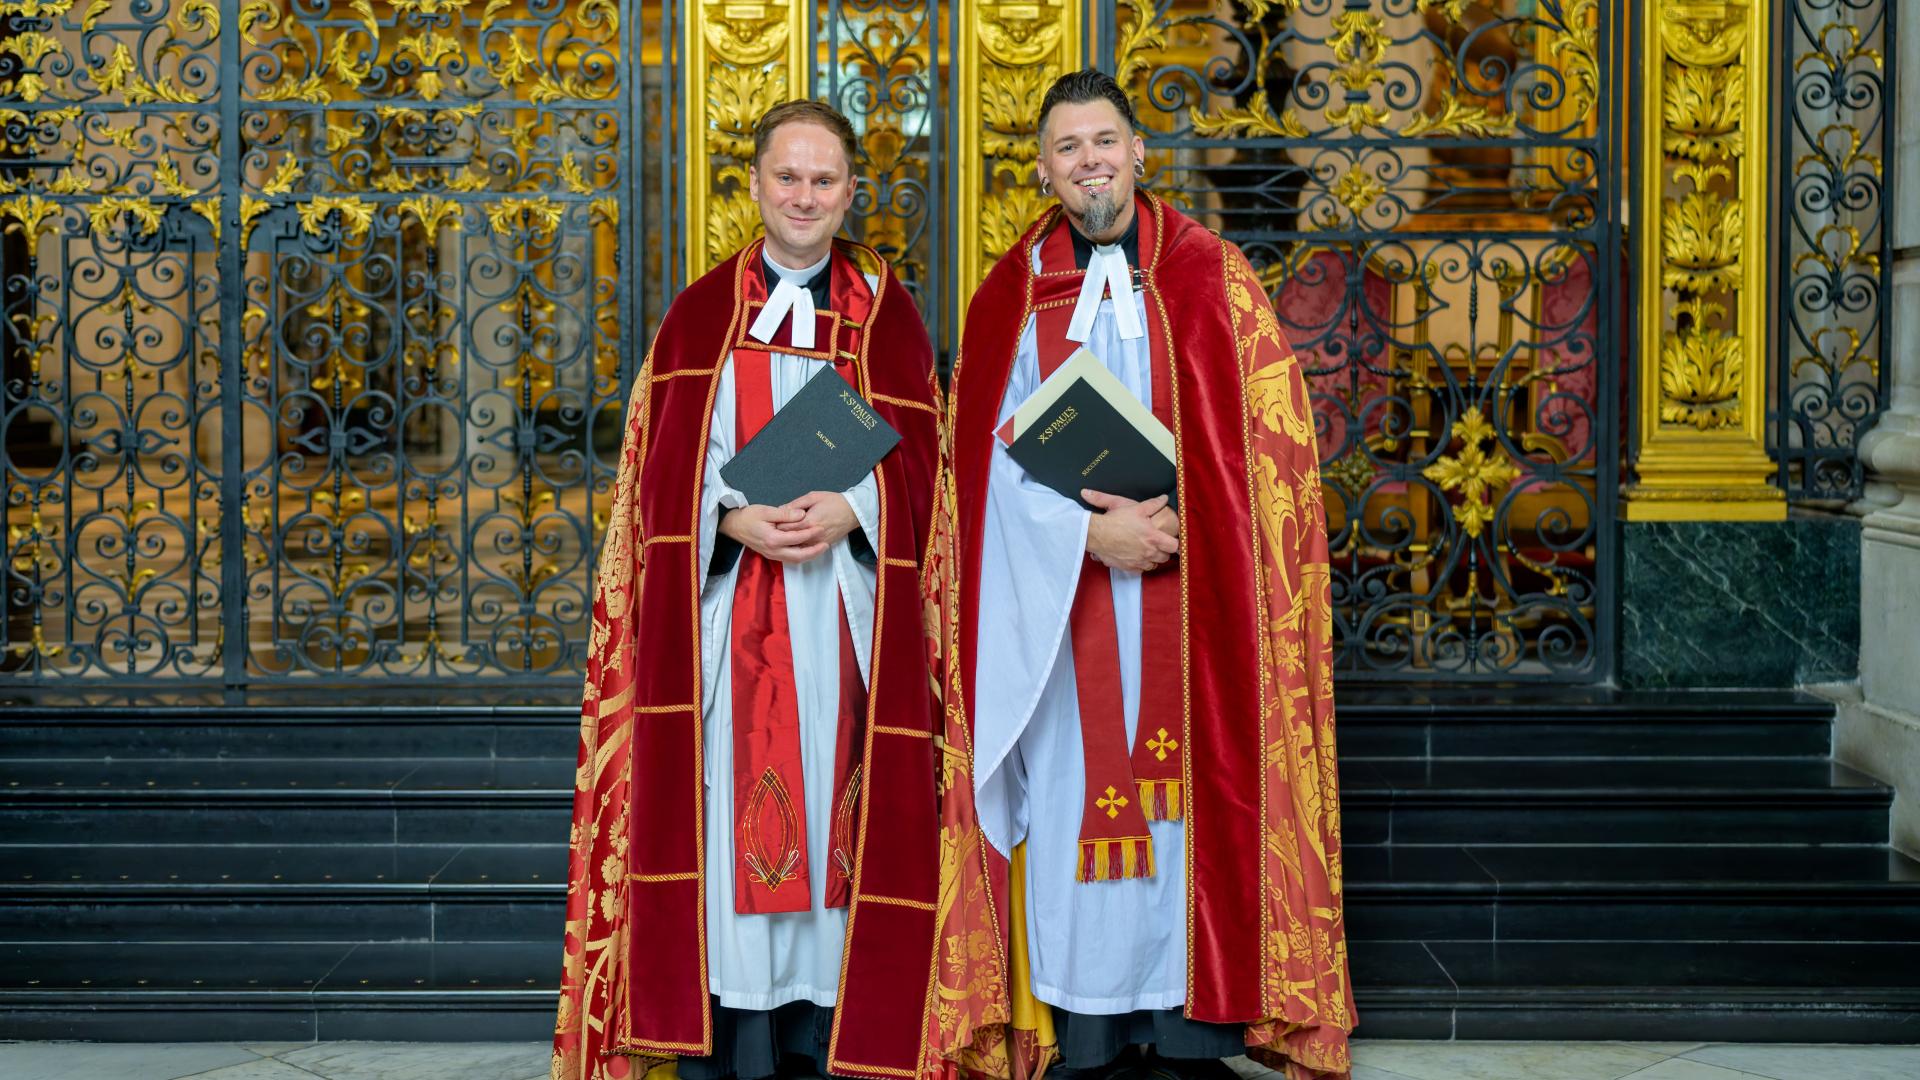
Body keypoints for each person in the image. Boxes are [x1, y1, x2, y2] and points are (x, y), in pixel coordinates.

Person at [927, 70, 1353, 1080]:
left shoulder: (1212, 273)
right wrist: (1087, 539)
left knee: (1191, 814)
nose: (1090, 161)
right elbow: (977, 468)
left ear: (1139, 150)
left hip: (1195, 600)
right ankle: (1086, 1032)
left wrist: (1198, 523)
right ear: (1043, 168)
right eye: (1068, 147)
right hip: (1059, 620)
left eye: (1104, 140)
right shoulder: (1009, 291)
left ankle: (1192, 1029)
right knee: (1078, 805)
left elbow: (1274, 447)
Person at [552, 100, 943, 1080]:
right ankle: (742, 1038)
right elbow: (659, 475)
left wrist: (857, 512)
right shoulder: (699, 315)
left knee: (835, 819)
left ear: (852, 191)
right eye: (788, 177)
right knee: (736, 822)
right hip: (732, 619)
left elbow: (930, 470)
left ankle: (828, 1034)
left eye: (824, 179)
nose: (805, 196)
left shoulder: (886, 313)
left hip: (846, 618)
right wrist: (728, 520)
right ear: (756, 186)